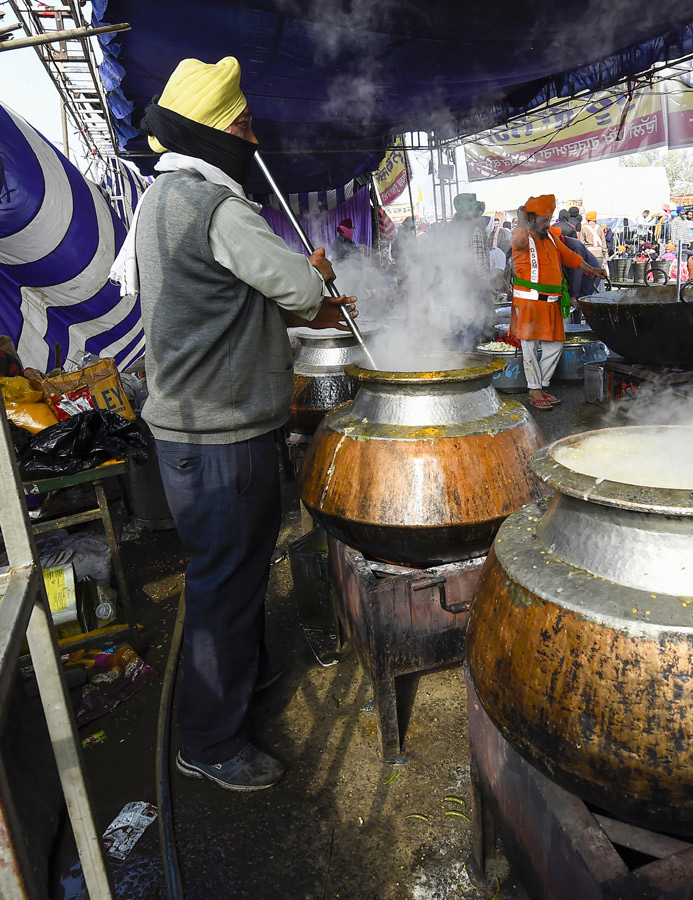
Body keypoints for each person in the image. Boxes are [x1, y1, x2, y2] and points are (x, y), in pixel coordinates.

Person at [111, 56, 357, 791]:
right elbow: (300, 290)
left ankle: (239, 680)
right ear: (212, 131)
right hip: (221, 439)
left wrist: (298, 287)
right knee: (223, 587)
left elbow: (234, 297)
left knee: (232, 575)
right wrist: (313, 272)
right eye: (243, 127)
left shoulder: (161, 201)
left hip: (190, 433)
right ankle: (209, 740)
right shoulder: (213, 206)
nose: (253, 140)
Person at [510, 194, 605, 411]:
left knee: (555, 346)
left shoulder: (552, 238)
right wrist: (522, 220)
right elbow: (519, 240)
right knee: (530, 347)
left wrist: (593, 271)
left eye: (549, 219)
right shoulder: (521, 236)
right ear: (532, 219)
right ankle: (534, 390)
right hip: (529, 303)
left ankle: (540, 386)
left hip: (551, 302)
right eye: (544, 219)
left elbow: (571, 257)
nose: (548, 223)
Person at [450, 192, 496, 349]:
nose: (480, 215)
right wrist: (485, 283)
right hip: (471, 286)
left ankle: (453, 362)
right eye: (477, 210)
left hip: (453, 285)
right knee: (473, 327)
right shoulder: (474, 229)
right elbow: (479, 261)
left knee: (457, 327)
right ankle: (467, 362)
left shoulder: (451, 228)